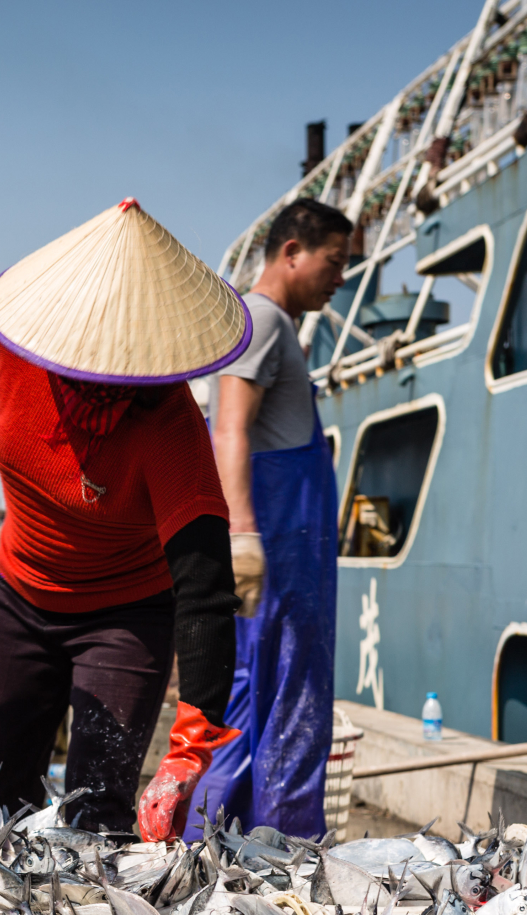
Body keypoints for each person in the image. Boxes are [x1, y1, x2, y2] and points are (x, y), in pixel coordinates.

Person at [0, 200, 245, 838]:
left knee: (95, 814)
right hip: (20, 596)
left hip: (125, 614)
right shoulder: (18, 354)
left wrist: (188, 752)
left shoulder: (169, 425)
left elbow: (206, 590)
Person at [197, 199, 353, 838]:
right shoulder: (261, 318)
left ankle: (211, 849)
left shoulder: (268, 323)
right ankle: (287, 854)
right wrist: (242, 536)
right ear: (292, 251)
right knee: (289, 700)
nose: (340, 276)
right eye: (333, 261)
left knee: (252, 702)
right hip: (280, 546)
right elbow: (229, 428)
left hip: (290, 545)